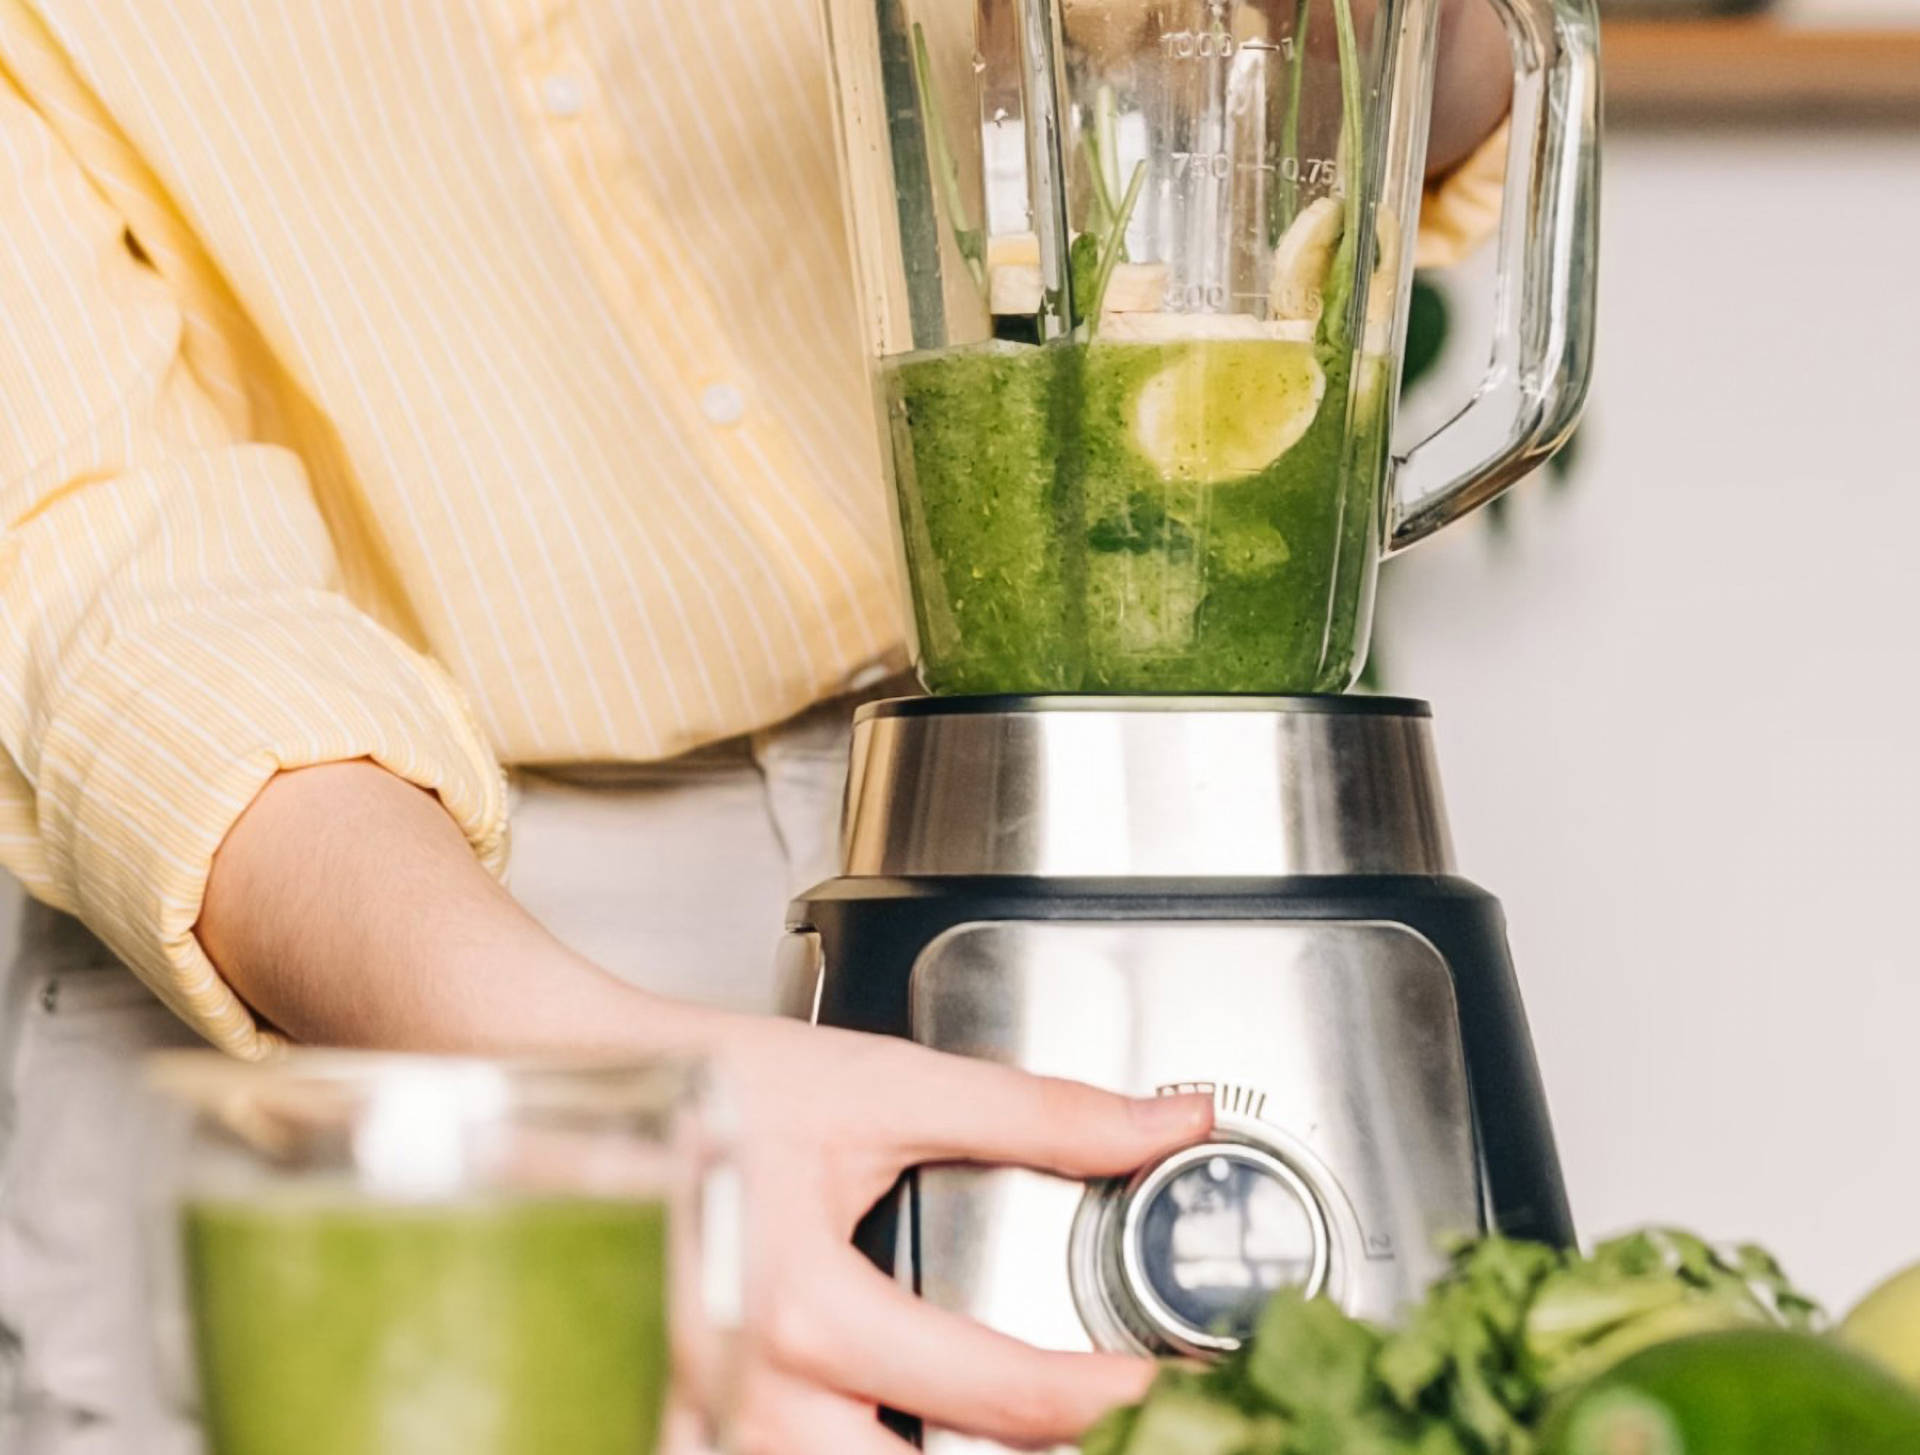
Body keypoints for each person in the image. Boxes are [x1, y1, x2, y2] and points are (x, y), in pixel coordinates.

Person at [0, 2, 1513, 1451]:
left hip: (987, 790)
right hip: (373, 945)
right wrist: (601, 1112)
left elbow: (1257, 95)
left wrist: (1394, 32)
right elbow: (104, 581)